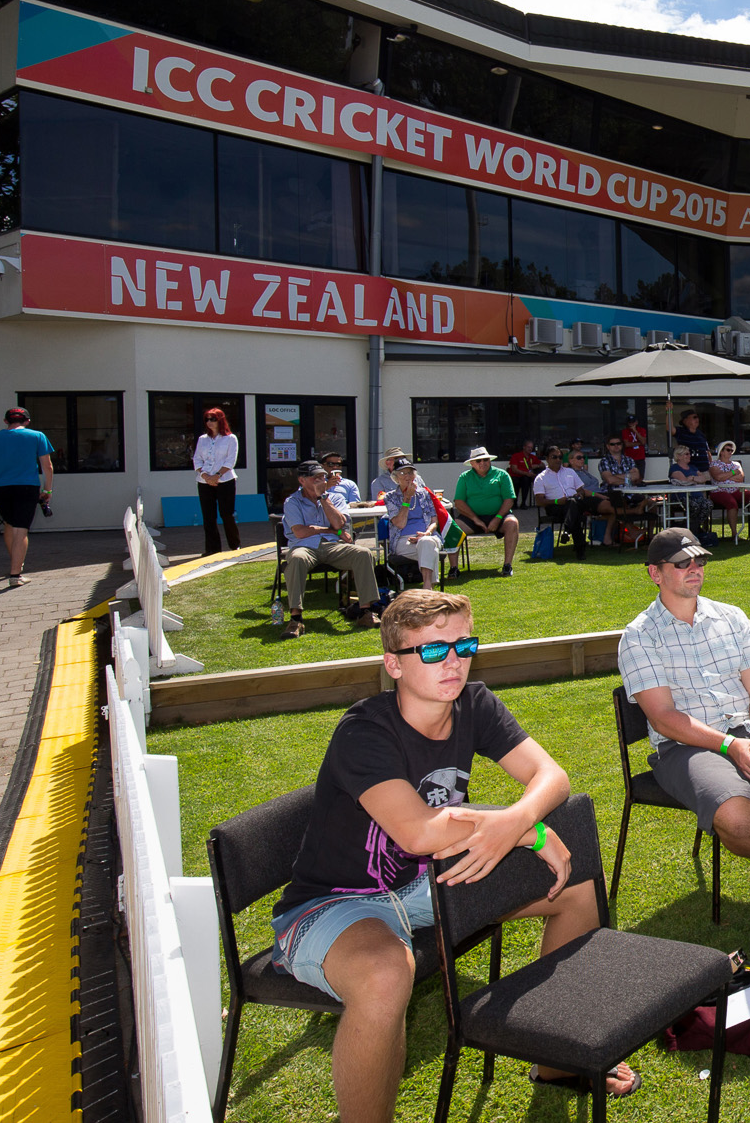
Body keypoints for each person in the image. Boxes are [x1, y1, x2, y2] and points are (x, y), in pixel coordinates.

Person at [267, 589, 630, 1120]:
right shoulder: (364, 732)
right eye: (433, 650)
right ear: (394, 663)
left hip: (423, 884)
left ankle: (556, 1062)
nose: (454, 661)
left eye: (464, 645)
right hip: (335, 901)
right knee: (385, 974)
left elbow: (551, 776)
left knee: (575, 891)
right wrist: (528, 834)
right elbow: (417, 833)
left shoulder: (473, 704)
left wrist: (516, 822)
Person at [619, 529, 750, 881]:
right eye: (682, 563)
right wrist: (729, 745)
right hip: (685, 747)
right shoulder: (639, 636)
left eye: (699, 560)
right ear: (655, 573)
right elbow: (662, 718)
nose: (694, 568)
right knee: (737, 820)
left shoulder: (731, 617)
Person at [280, 459, 382, 636]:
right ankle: (296, 619)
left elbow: (339, 523)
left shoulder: (335, 498)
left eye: (322, 477)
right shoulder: (292, 502)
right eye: (315, 478)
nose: (321, 481)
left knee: (363, 553)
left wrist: (323, 498)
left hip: (332, 546)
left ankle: (366, 612)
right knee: (296, 559)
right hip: (304, 546)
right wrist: (332, 531)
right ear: (302, 480)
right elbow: (300, 532)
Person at [0, 406, 55, 588]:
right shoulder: (37, 436)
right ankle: (15, 574)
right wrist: (48, 490)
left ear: (6, 421)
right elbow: (47, 466)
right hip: (27, 487)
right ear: (27, 421)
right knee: (21, 530)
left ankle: (16, 562)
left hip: (1, 489)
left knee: (10, 524)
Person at [452, 447, 520, 576]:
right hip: (471, 518)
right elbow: (459, 502)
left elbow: (509, 500)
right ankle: (453, 568)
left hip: (499, 516)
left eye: (485, 459)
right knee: (453, 528)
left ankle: (507, 565)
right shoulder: (464, 477)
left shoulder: (502, 475)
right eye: (478, 461)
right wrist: (476, 519)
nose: (482, 463)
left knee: (512, 523)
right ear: (472, 463)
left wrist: (497, 518)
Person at [382, 460, 444, 588]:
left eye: (410, 472)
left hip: (429, 536)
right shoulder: (390, 497)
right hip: (403, 540)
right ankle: (429, 587)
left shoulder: (424, 494)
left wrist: (427, 533)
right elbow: (399, 524)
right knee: (429, 548)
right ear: (395, 477)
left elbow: (434, 521)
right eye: (403, 473)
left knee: (426, 542)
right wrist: (407, 498)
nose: (407, 476)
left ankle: (427, 586)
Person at [529, 449, 590, 558]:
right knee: (575, 514)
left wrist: (579, 495)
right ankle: (578, 548)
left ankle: (567, 531)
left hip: (574, 503)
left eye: (560, 457)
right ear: (547, 459)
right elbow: (539, 501)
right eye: (554, 457)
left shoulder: (570, 472)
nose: (558, 460)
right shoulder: (541, 478)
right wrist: (557, 501)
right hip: (555, 506)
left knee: (573, 504)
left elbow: (580, 490)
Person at [596, 436, 650, 546]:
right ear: (608, 447)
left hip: (630, 492)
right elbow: (609, 480)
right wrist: (628, 477)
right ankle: (631, 530)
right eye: (613, 444)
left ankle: (650, 535)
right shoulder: (604, 461)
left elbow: (637, 476)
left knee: (651, 503)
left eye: (619, 443)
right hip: (611, 492)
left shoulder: (629, 460)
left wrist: (616, 476)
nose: (616, 446)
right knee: (620, 503)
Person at [707, 440, 750, 538]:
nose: (731, 452)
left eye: (732, 450)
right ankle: (734, 534)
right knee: (731, 503)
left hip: (735, 490)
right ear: (721, 451)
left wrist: (725, 476)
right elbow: (718, 477)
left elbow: (741, 478)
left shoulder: (736, 464)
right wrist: (733, 473)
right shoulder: (714, 464)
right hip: (719, 491)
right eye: (728, 450)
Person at [505, 440, 540, 507]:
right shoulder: (516, 456)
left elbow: (542, 465)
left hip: (526, 478)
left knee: (526, 480)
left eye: (531, 447)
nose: (530, 449)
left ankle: (523, 503)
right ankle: (514, 503)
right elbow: (514, 469)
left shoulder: (532, 457)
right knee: (516, 482)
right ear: (524, 447)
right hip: (516, 476)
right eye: (528, 447)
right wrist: (526, 473)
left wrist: (537, 466)